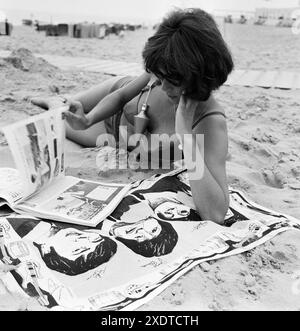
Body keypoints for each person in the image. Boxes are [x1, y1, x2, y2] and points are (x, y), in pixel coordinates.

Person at [32, 8, 234, 225]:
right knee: (66, 109)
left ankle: (54, 105)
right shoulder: (164, 68)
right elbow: (120, 96)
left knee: (56, 123)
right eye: (159, 76)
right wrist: (88, 120)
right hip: (117, 98)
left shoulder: (209, 122)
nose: (163, 86)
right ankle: (55, 101)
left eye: (171, 80)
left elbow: (215, 214)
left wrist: (185, 134)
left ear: (199, 75)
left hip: (115, 137)